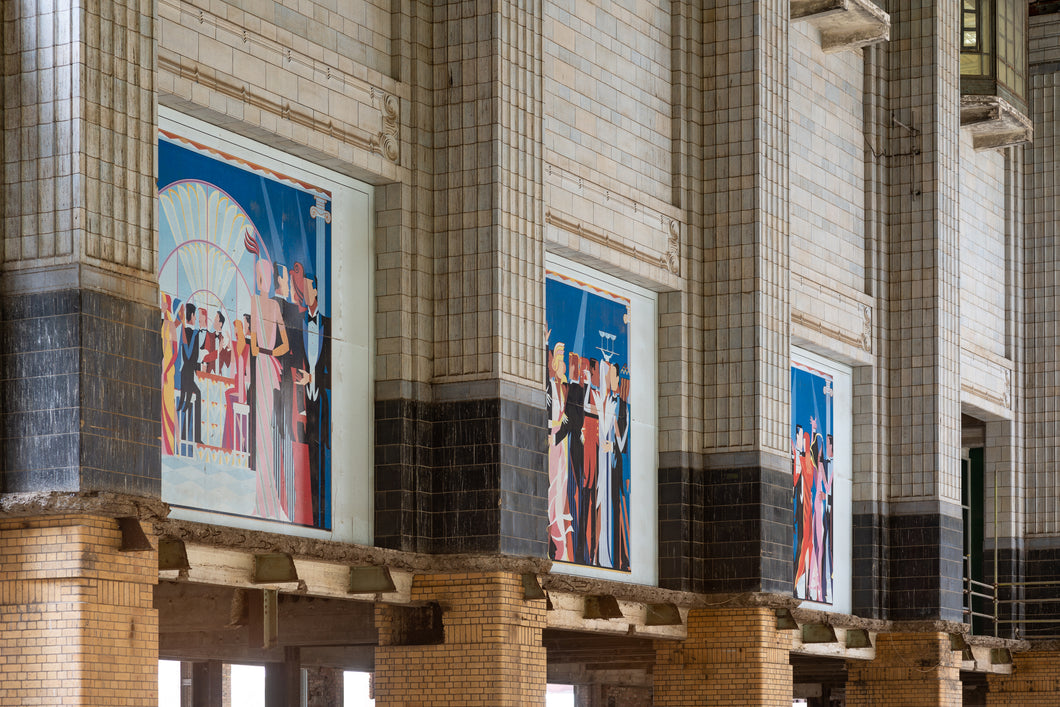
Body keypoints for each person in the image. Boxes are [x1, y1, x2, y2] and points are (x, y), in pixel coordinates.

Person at [250, 258, 290, 521]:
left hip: (263, 368)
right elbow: (285, 346)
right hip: (269, 366)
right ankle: (265, 498)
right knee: (265, 427)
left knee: (263, 429)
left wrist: (264, 353)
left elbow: (254, 347)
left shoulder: (257, 304)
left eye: (258, 274)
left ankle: (264, 498)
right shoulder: (273, 305)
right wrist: (272, 353)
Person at [297, 274, 331, 528]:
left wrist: (313, 379)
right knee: (306, 456)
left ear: (316, 290)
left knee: (320, 460)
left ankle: (320, 517)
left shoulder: (328, 326)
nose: (304, 291)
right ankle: (308, 514)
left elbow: (336, 375)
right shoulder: (299, 322)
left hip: (320, 402)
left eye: (307, 287)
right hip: (303, 401)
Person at [546, 342, 572, 561]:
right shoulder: (549, 385)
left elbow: (569, 417)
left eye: (563, 357)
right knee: (552, 487)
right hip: (552, 440)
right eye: (558, 357)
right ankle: (552, 536)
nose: (561, 362)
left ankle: (559, 539)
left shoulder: (564, 388)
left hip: (560, 442)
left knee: (560, 487)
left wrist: (559, 432)